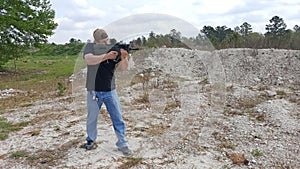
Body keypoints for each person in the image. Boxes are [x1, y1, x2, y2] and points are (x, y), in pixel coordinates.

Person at [83, 28, 132, 156]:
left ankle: (122, 143)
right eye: (103, 42)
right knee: (92, 118)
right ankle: (90, 140)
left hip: (110, 90)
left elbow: (124, 69)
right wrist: (106, 56)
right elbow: (89, 60)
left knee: (118, 118)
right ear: (96, 41)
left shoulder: (114, 48)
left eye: (107, 41)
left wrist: (124, 57)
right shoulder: (90, 47)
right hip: (93, 91)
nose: (106, 44)